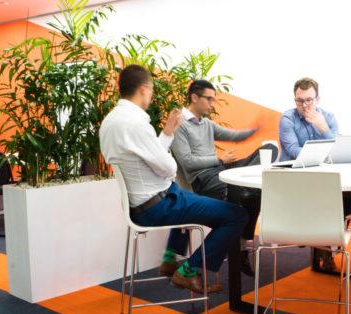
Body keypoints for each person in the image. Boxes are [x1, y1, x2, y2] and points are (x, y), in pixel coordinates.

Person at [100, 64, 248, 293]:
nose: (151, 95)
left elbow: (151, 160)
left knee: (196, 200)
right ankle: (188, 271)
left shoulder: (111, 121)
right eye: (150, 90)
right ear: (144, 88)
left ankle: (172, 260)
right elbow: (168, 167)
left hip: (145, 202)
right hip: (158, 204)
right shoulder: (135, 124)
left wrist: (167, 134)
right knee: (237, 215)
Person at [171, 80, 278, 277]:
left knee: (269, 150)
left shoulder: (207, 124)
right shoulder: (180, 126)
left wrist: (257, 128)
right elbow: (186, 162)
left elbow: (235, 136)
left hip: (221, 172)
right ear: (194, 97)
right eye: (209, 98)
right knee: (250, 194)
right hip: (204, 180)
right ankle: (242, 245)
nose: (212, 103)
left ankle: (242, 244)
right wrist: (218, 158)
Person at [279, 77, 351, 271]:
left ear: (318, 99)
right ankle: (323, 243)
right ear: (294, 99)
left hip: (321, 174)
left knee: (349, 195)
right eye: (300, 100)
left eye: (309, 100)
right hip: (295, 175)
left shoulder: (328, 117)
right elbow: (292, 150)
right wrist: (323, 155)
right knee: (323, 195)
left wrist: (323, 127)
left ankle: (330, 240)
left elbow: (338, 148)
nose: (304, 105)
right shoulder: (288, 118)